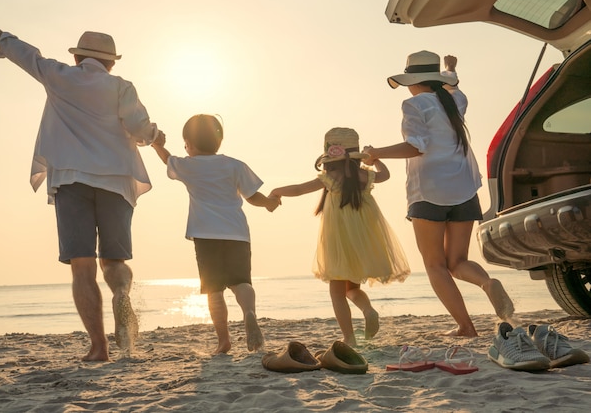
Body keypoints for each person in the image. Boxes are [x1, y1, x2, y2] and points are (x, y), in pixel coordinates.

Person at [0, 10, 162, 361]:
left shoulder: (58, 75)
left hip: (72, 179)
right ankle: (121, 295)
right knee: (114, 259)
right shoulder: (122, 86)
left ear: (76, 57)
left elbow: (22, 52)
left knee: (82, 264)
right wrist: (155, 136)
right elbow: (139, 128)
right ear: (110, 63)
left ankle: (99, 348)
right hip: (116, 181)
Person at [363, 51, 514, 337]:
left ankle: (466, 326)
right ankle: (487, 283)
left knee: (435, 265)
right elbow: (454, 85)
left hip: (429, 191)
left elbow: (417, 146)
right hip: (464, 189)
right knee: (458, 262)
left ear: (413, 82)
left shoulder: (413, 104)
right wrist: (451, 68)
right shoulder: (455, 100)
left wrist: (376, 154)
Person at [270, 127, 410, 347]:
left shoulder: (330, 178)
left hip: (338, 239)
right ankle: (368, 310)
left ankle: (349, 337)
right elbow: (386, 175)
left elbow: (299, 189)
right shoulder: (364, 175)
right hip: (364, 237)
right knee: (352, 288)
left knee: (337, 291)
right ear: (355, 156)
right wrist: (375, 159)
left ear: (328, 157)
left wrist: (277, 190)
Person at [151, 114, 279, 354]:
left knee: (214, 290)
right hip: (237, 234)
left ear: (189, 143)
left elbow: (167, 160)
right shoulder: (234, 165)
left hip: (205, 235)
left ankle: (224, 341)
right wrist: (269, 203)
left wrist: (158, 144)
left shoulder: (188, 166)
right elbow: (252, 197)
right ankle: (249, 313)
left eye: (185, 143)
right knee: (241, 282)